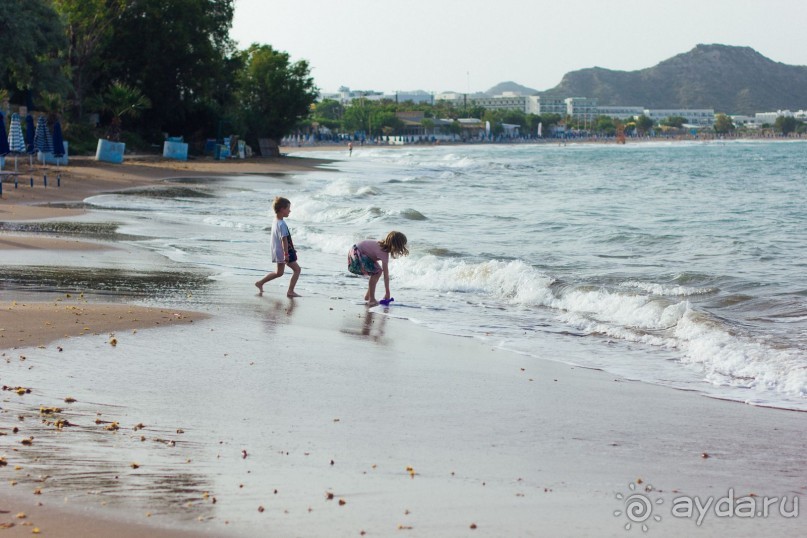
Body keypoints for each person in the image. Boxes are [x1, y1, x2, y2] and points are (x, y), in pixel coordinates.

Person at [255, 196, 301, 297]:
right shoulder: (282, 224)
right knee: (297, 269)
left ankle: (260, 283)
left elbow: (281, 239)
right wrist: (286, 253)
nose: (290, 211)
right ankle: (290, 291)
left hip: (277, 251)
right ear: (282, 209)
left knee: (279, 273)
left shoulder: (275, 221)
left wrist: (290, 249)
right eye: (288, 208)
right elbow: (283, 239)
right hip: (284, 253)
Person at [347, 231, 409, 306]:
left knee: (377, 271)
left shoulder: (380, 246)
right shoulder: (383, 252)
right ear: (396, 245)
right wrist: (387, 292)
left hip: (354, 251)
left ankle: (368, 296)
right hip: (357, 253)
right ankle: (371, 299)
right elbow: (386, 275)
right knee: (377, 271)